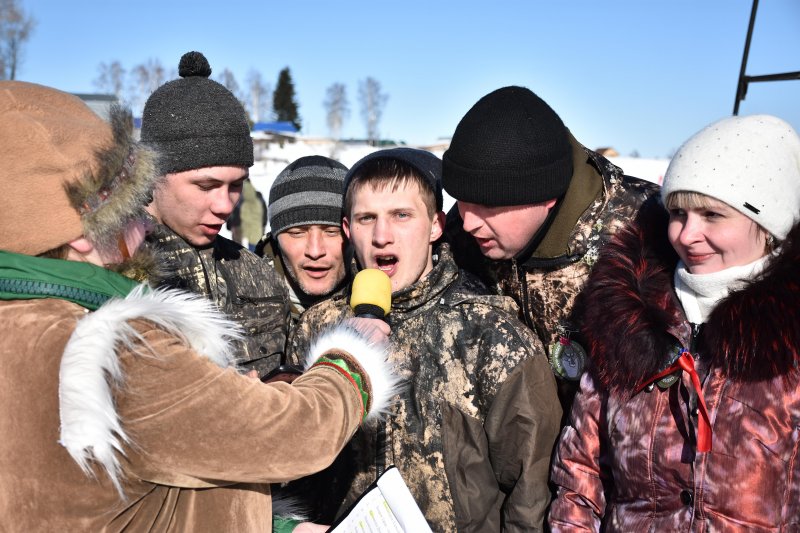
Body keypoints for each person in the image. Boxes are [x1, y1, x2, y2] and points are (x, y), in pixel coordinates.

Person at [0, 81, 398, 532]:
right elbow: (293, 432)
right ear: (79, 228)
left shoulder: (20, 323)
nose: (141, 228)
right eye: (131, 208)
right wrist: (352, 362)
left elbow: (138, 497)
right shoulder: (111, 347)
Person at [286, 148, 561, 531]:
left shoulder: (490, 334)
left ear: (435, 225)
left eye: (402, 215)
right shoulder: (318, 329)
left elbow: (530, 493)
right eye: (367, 218)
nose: (382, 237)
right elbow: (290, 466)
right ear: (348, 229)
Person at [549, 115, 800, 530]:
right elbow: (581, 472)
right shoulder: (629, 317)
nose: (686, 235)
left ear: (768, 225)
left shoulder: (787, 341)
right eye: (678, 212)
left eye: (712, 215)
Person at [442, 86, 658, 407]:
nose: (469, 221)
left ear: (546, 195)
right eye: (462, 200)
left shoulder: (647, 231)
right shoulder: (464, 234)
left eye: (488, 204)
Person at [141, 50, 288, 378]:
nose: (225, 206)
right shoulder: (111, 270)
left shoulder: (260, 276)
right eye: (206, 185)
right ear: (150, 173)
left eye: (236, 185)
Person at [255, 155, 350, 325]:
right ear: (276, 238)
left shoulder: (387, 306)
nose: (315, 251)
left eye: (332, 232)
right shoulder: (234, 305)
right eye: (297, 233)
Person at [228, 178, 268, 251]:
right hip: (254, 225)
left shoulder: (237, 195)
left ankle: (238, 259)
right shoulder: (258, 194)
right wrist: (263, 223)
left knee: (237, 247)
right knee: (254, 246)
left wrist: (229, 224)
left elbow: (232, 210)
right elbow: (264, 210)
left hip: (238, 224)